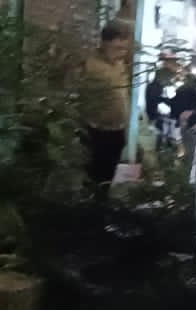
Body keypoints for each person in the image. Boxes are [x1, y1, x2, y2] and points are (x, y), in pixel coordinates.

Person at [82, 20, 133, 196]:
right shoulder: (91, 66)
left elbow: (123, 95)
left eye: (124, 49)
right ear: (105, 43)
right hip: (98, 131)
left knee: (108, 177)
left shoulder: (120, 65)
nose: (122, 54)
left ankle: (101, 203)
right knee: (95, 176)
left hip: (117, 130)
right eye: (118, 48)